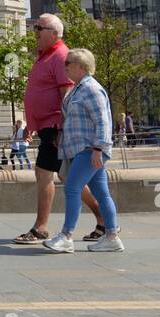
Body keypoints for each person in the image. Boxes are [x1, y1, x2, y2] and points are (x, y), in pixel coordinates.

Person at [14, 14, 104, 244]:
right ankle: (103, 220)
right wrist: (31, 125)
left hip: (55, 128)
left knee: (44, 173)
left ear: (54, 33)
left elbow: (67, 95)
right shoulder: (45, 56)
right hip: (48, 127)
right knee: (67, 176)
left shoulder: (61, 56)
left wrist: (61, 130)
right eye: (35, 27)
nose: (35, 32)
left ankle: (40, 228)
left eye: (39, 28)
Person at [44, 49, 124, 253]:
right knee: (101, 192)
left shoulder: (91, 89)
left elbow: (103, 121)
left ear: (81, 66)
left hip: (89, 148)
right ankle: (112, 236)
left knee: (72, 187)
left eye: (68, 63)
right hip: (85, 148)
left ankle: (66, 236)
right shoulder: (78, 89)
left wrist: (98, 148)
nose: (65, 66)